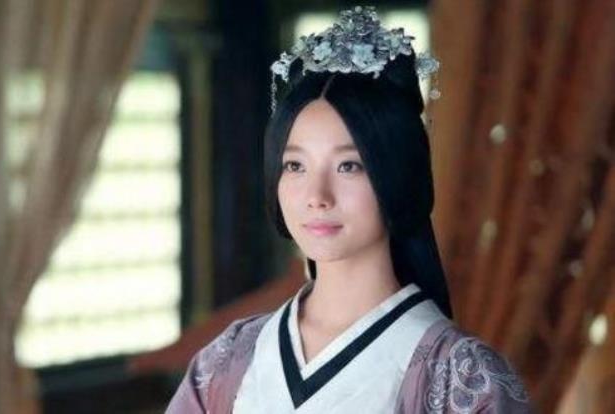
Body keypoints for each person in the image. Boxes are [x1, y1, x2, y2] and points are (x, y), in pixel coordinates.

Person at [166, 6, 533, 413]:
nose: (317, 195)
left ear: (397, 174)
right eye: (295, 165)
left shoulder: (460, 377)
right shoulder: (231, 358)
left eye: (348, 166)